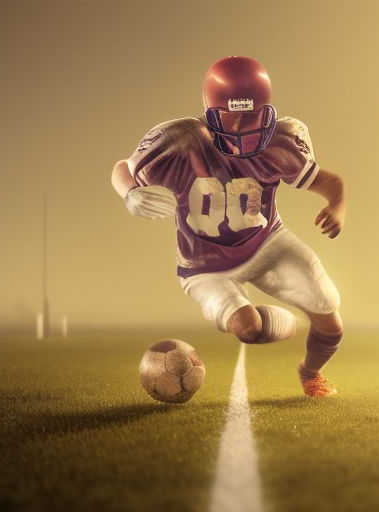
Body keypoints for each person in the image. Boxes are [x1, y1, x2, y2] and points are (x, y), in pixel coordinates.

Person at [111, 56, 345, 397]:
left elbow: (329, 181)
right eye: (230, 115)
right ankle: (278, 322)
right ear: (209, 112)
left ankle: (310, 373)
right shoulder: (180, 141)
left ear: (266, 110)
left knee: (331, 321)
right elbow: (123, 168)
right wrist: (129, 192)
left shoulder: (281, 141)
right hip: (205, 264)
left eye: (251, 115)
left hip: (267, 242)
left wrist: (336, 207)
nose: (240, 126)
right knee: (248, 329)